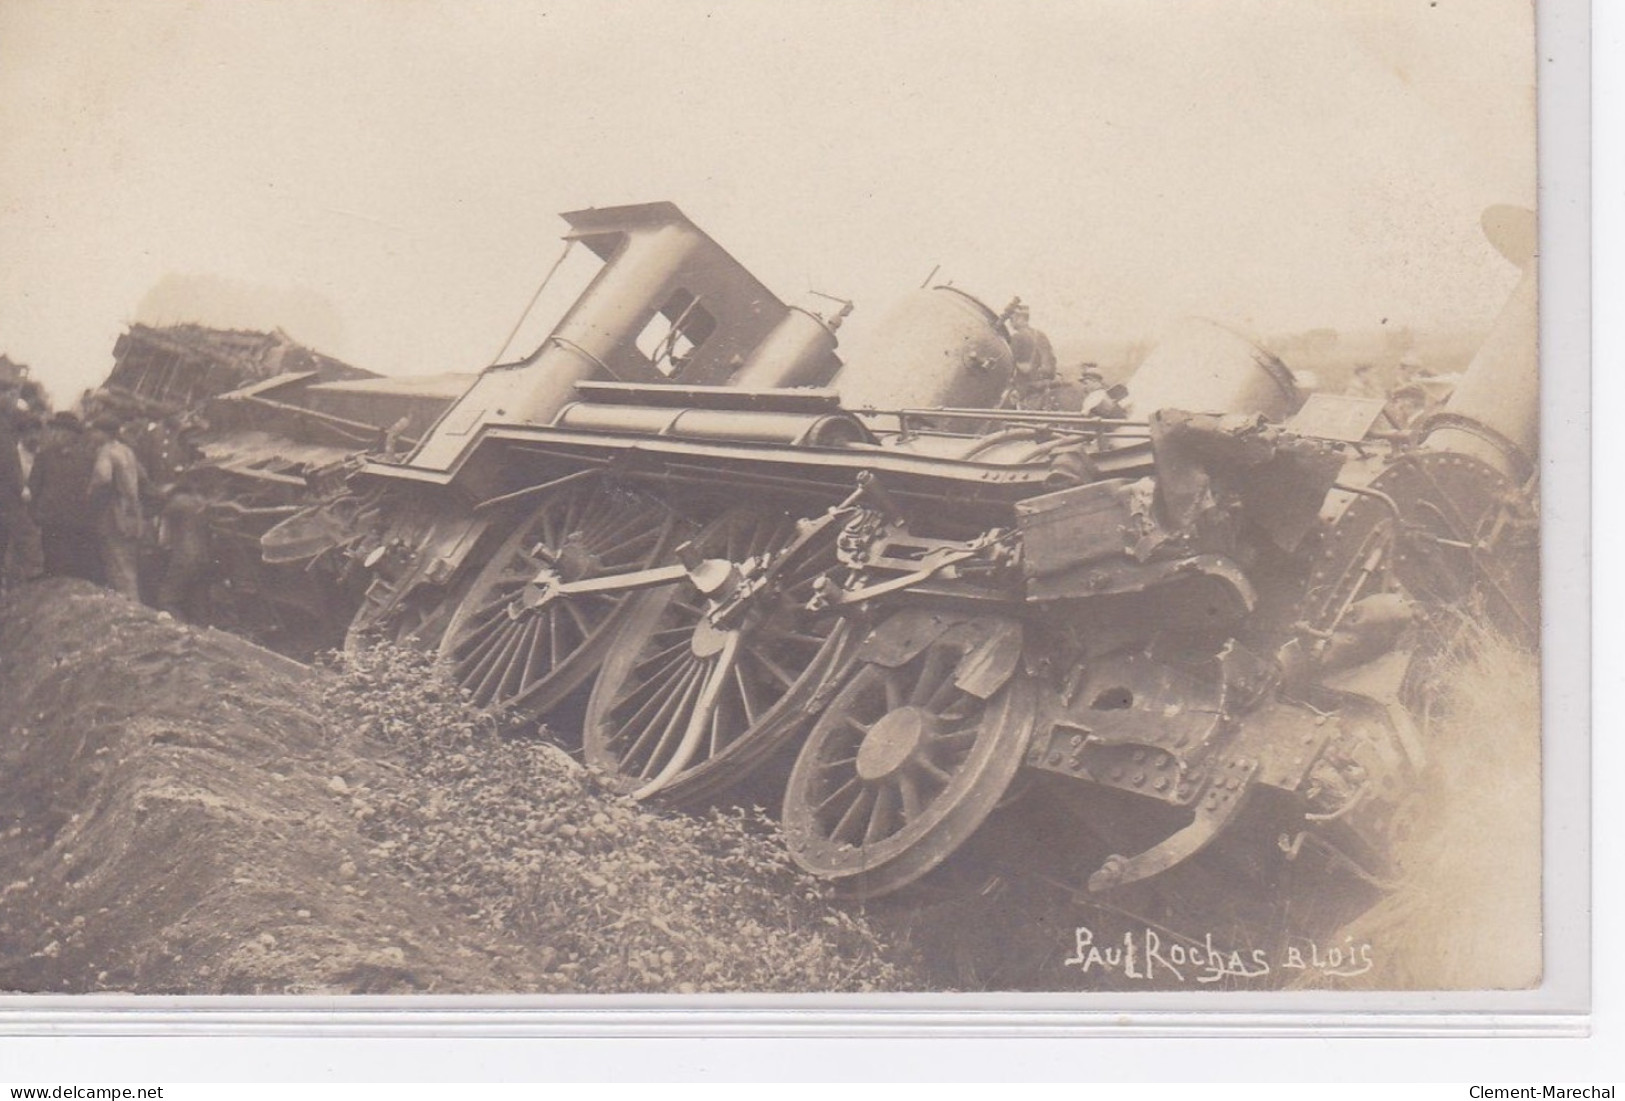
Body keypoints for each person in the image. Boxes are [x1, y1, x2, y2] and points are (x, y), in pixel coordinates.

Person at [29, 411, 102, 581]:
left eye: (60, 431)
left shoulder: (88, 459)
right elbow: (34, 487)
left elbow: (94, 489)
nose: (56, 435)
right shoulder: (44, 456)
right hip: (51, 519)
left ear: (72, 434)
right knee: (52, 563)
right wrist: (35, 513)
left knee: (75, 566)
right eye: (55, 430)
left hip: (77, 521)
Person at [87, 413, 150, 601]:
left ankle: (129, 607)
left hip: (114, 512)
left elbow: (103, 478)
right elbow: (143, 476)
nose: (91, 435)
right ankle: (133, 603)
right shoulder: (127, 450)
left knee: (116, 562)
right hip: (132, 511)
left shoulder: (106, 452)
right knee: (129, 564)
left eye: (95, 431)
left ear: (103, 433)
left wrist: (89, 491)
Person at [1003, 300, 1058, 406]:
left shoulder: (1017, 337)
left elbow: (1011, 364)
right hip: (1043, 386)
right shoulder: (1040, 335)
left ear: (1021, 318)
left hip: (1025, 388)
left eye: (1012, 319)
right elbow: (1052, 359)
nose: (1010, 323)